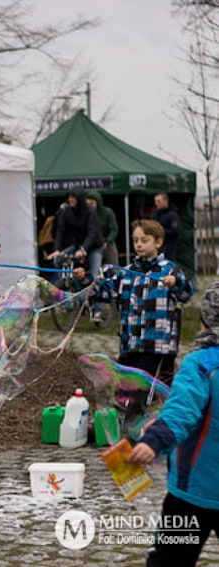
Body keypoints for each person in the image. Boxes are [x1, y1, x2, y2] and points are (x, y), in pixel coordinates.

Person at [127, 281, 219, 567]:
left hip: (193, 490)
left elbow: (182, 412)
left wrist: (154, 440)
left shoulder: (202, 364)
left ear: (206, 320)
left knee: (169, 561)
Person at [75, 219, 194, 383]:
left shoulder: (169, 269)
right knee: (124, 388)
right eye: (135, 240)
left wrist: (176, 282)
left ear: (158, 242)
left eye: (144, 240)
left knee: (140, 390)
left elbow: (187, 294)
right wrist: (86, 279)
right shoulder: (127, 272)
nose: (139, 244)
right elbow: (102, 293)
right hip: (130, 344)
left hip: (157, 346)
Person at [47, 189, 103, 283]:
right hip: (77, 245)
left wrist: (83, 249)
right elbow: (60, 231)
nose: (70, 200)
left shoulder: (90, 211)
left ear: (79, 199)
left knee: (94, 274)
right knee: (58, 260)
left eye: (73, 198)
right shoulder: (66, 212)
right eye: (69, 197)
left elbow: (92, 232)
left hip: (94, 246)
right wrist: (57, 250)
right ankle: (64, 283)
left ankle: (94, 291)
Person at [86, 191, 119, 265]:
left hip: (106, 242)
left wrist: (107, 241)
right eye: (88, 204)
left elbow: (114, 229)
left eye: (92, 204)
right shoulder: (85, 214)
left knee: (112, 266)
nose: (90, 206)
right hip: (92, 244)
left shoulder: (107, 212)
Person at [152, 192, 181, 261]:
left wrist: (160, 231)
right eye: (155, 201)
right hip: (157, 247)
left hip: (168, 248)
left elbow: (175, 232)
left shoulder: (172, 215)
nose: (156, 204)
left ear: (165, 201)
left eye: (159, 201)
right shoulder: (156, 214)